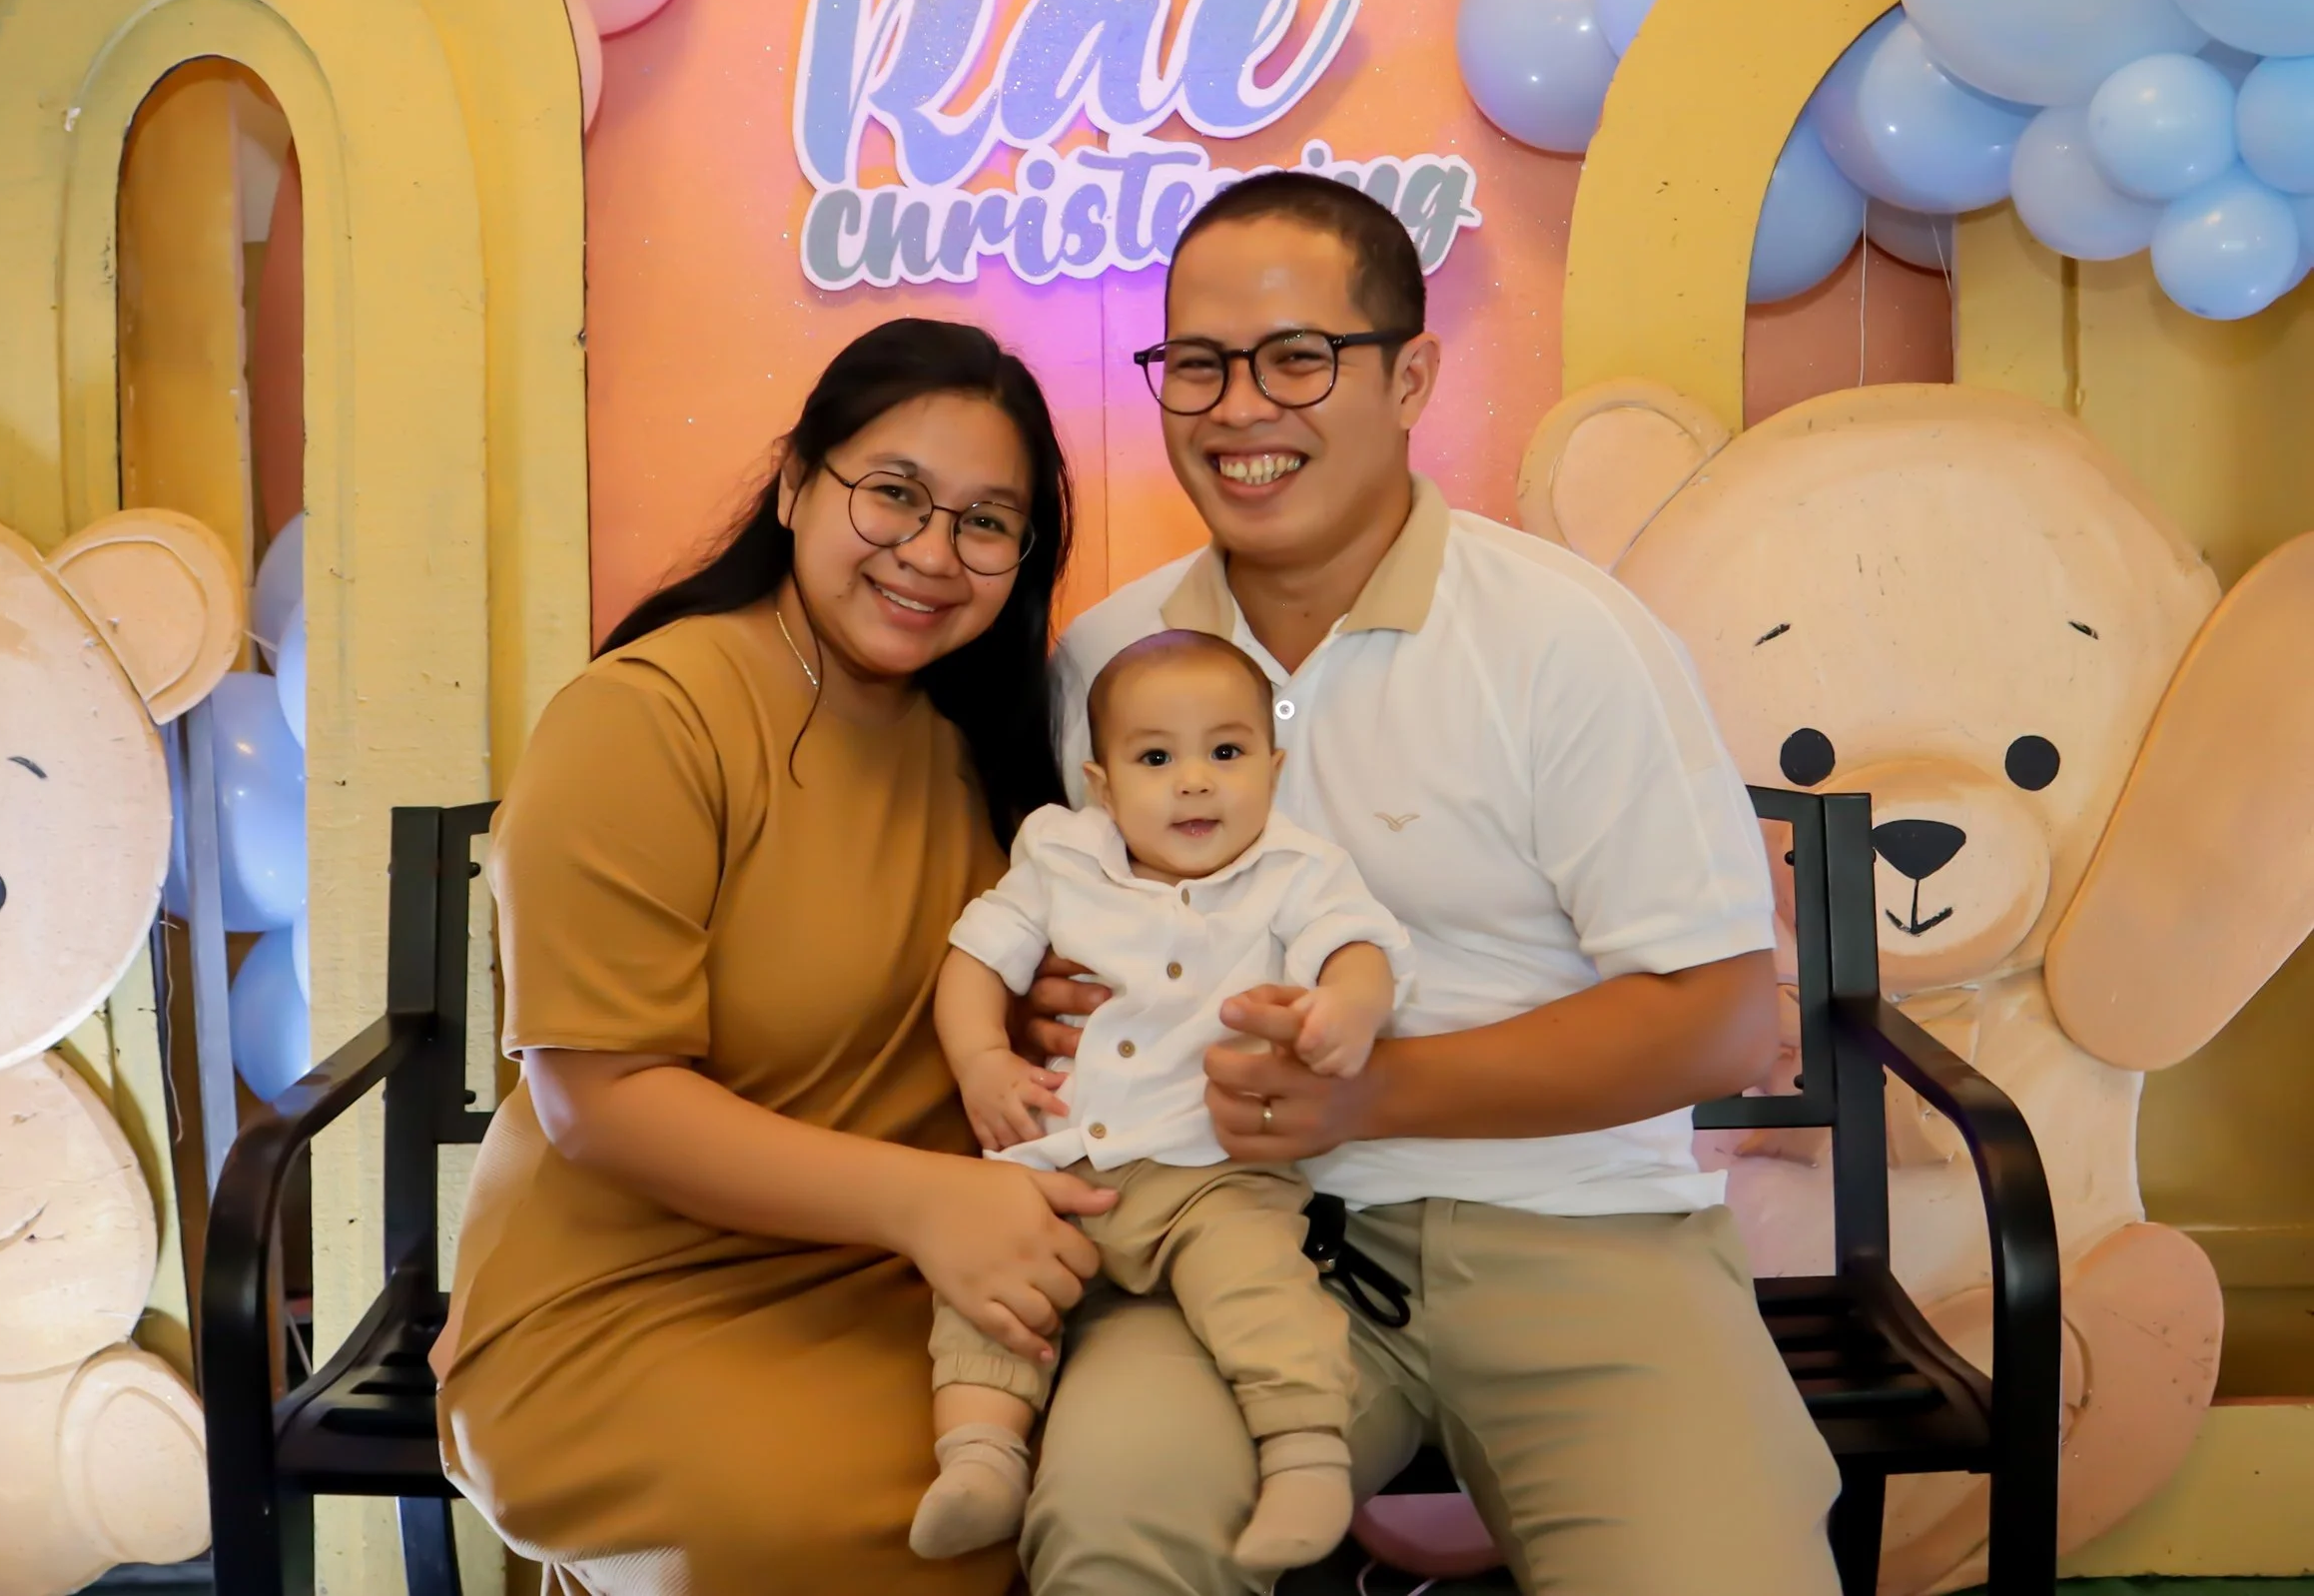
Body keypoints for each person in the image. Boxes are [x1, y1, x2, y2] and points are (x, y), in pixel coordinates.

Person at [1019, 174, 1845, 1595]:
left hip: (1579, 1229)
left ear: (1411, 375)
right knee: (1111, 1527)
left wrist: (1372, 1093)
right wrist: (1055, 996)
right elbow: (1085, 931)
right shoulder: (1108, 658)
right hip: (1225, 1235)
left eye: (1297, 357)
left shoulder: (1565, 635)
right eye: (1198, 364)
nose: (1239, 408)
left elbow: (1717, 1020)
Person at [434, 319, 1117, 1596]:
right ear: (798, 481)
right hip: (637, 1290)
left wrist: (1041, 1018)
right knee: (839, 1526)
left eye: (985, 522)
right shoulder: (648, 716)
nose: (931, 552)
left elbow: (935, 1013)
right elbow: (601, 1099)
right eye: (895, 494)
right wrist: (925, 1203)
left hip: (916, 1288)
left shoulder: (981, 750)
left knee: (1129, 1474)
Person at [913, 629, 1406, 1573]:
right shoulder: (1062, 856)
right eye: (1155, 757)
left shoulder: (1296, 870)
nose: (1194, 782)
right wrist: (982, 1060)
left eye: (1225, 752)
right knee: (989, 1289)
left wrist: (1350, 1004)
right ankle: (980, 1456)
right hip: (1062, 1159)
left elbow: (1358, 946)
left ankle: (1305, 1456)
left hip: (1209, 1173)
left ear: (1274, 765)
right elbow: (977, 957)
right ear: (1103, 784)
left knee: (1262, 1288)